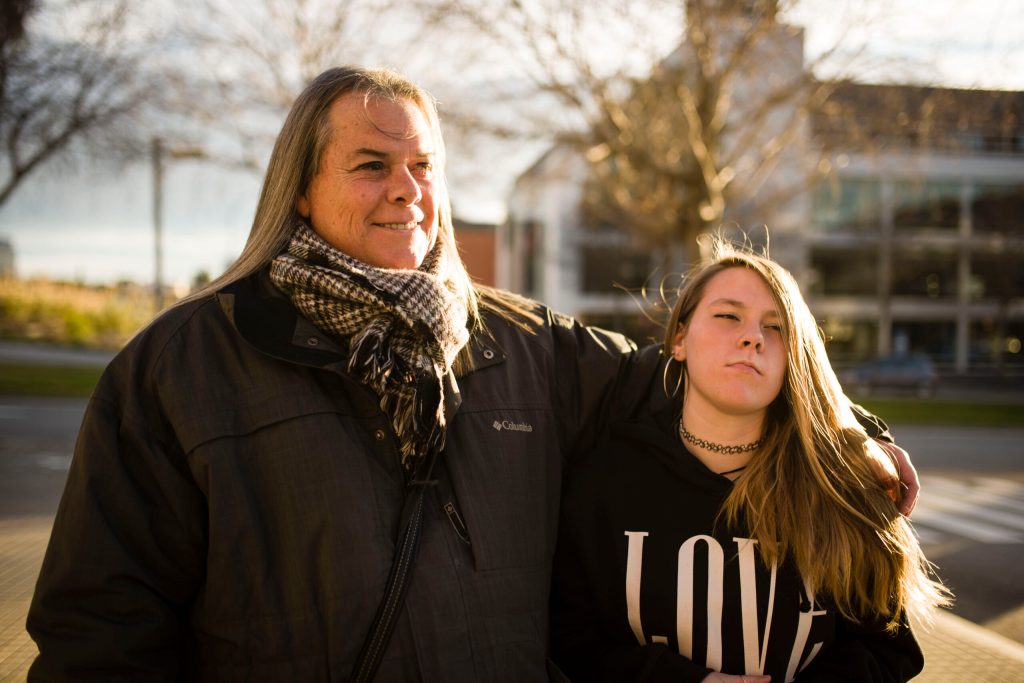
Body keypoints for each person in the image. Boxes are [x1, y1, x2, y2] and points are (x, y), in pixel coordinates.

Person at [27, 67, 916, 681]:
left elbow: (708, 374)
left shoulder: (527, 344)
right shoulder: (179, 367)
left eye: (424, 166)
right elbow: (100, 632)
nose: (407, 188)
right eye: (371, 165)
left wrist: (852, 436)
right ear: (299, 188)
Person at [549, 237, 950, 683]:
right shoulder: (606, 481)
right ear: (679, 338)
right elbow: (571, 640)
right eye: (727, 315)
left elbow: (889, 651)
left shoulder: (842, 487)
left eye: (776, 327)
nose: (752, 337)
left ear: (794, 357)